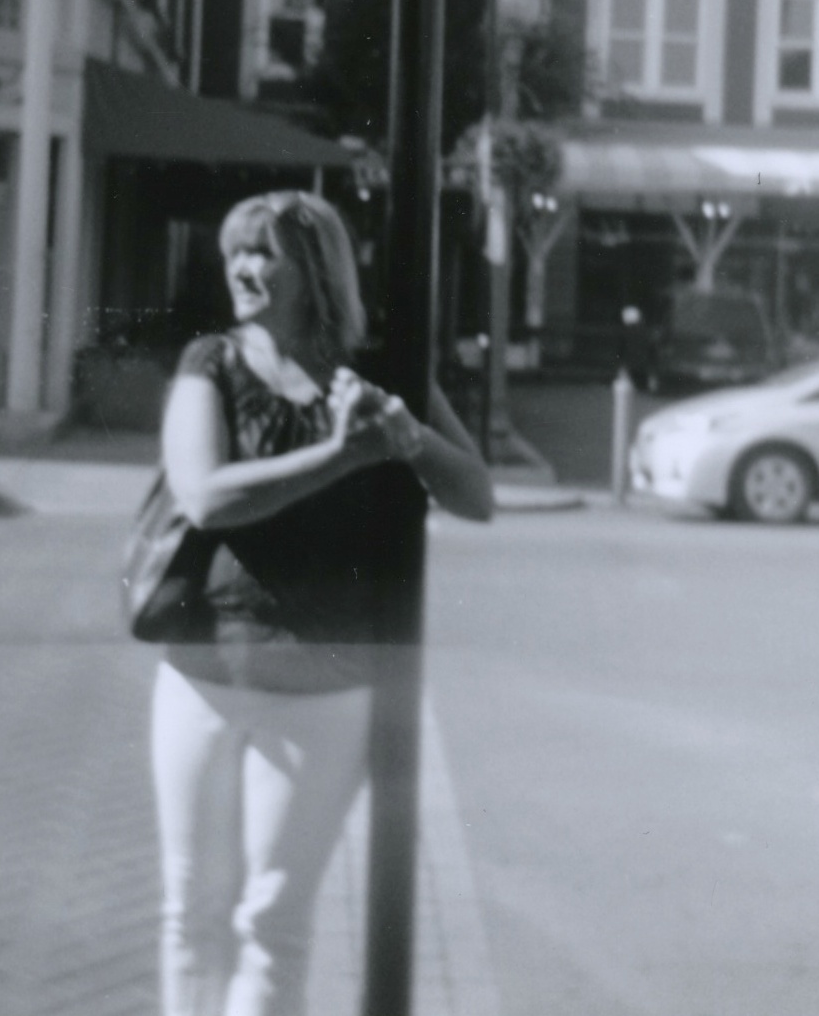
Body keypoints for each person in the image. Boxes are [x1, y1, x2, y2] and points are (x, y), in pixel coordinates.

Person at [150, 189, 491, 1016]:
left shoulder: (379, 372)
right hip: (203, 674)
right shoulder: (212, 364)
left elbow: (476, 492)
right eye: (236, 250)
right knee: (191, 908)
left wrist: (408, 440)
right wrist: (341, 457)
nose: (243, 267)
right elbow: (204, 496)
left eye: (264, 251)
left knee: (274, 918)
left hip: (323, 688)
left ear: (316, 267)